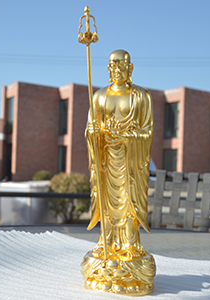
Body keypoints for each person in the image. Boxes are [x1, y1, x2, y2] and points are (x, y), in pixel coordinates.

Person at [86, 49, 154, 260]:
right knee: (106, 202)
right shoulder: (99, 97)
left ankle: (131, 243)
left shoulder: (141, 96)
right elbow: (90, 129)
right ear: (107, 69)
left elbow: (148, 131)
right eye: (113, 66)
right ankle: (106, 241)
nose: (117, 70)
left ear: (130, 68)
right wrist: (97, 134)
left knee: (129, 201)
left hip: (131, 161)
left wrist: (128, 136)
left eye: (121, 66)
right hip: (106, 161)